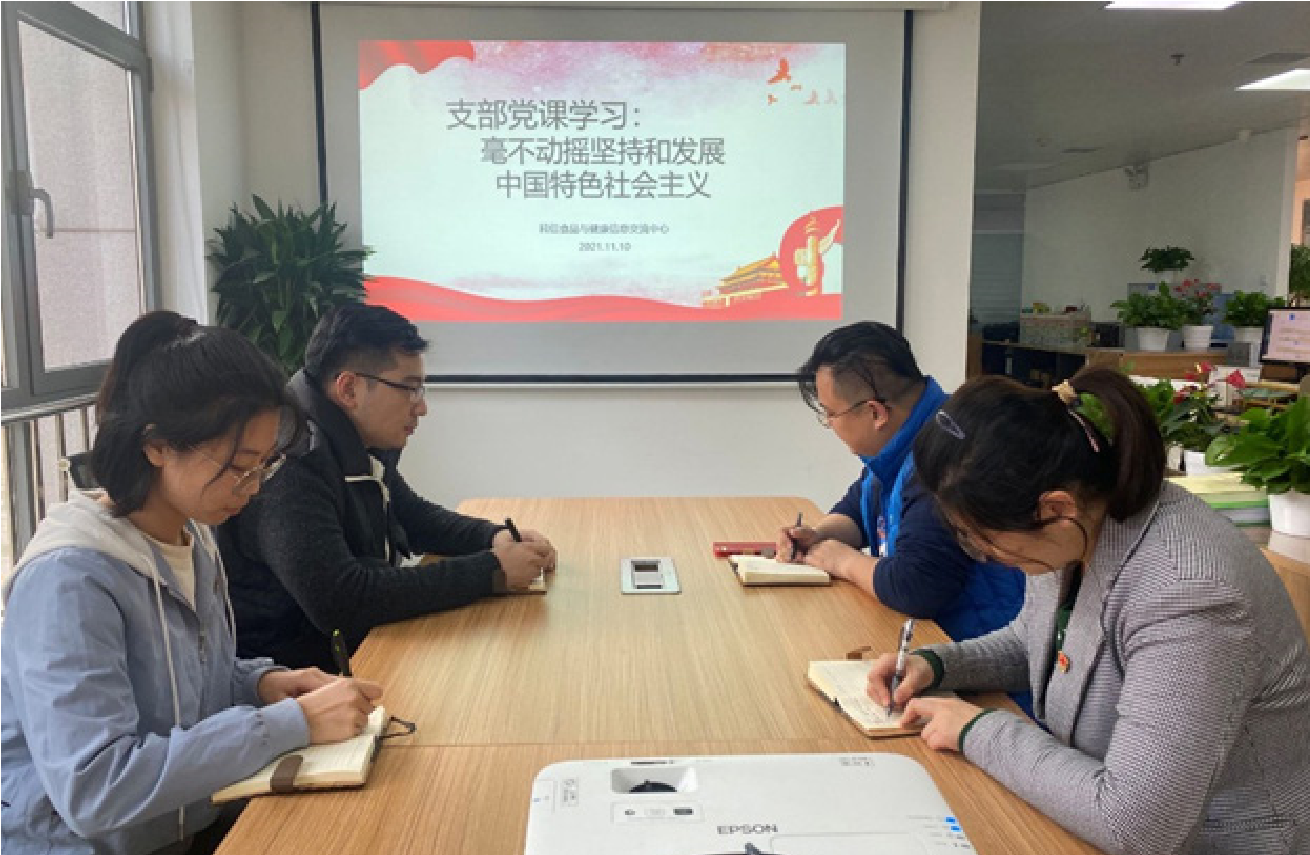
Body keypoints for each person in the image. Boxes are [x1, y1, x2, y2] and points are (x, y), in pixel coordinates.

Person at [868, 368, 1310, 855]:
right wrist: (938, 665)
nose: (985, 554)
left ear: (1055, 509)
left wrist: (977, 730)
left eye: (983, 539)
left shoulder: (1189, 592)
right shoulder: (1079, 524)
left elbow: (1137, 824)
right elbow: (1034, 640)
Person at [1, 312, 383, 855]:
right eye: (239, 466)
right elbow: (95, 789)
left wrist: (260, 684)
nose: (253, 487)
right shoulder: (69, 581)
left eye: (263, 465)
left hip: (189, 827)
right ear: (157, 445)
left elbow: (180, 683)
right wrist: (287, 724)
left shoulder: (191, 534)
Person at [221, 304, 555, 670]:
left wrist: (494, 537)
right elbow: (342, 601)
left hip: (362, 653)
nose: (421, 407)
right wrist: (491, 570)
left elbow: (412, 515)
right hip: (304, 681)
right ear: (349, 389)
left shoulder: (354, 437)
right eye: (409, 389)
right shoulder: (291, 462)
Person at [778, 321, 1025, 642]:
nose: (830, 424)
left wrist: (842, 561)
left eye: (831, 414)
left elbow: (917, 587)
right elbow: (858, 510)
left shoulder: (944, 455)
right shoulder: (911, 432)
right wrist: (818, 536)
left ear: (876, 413)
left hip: (974, 648)